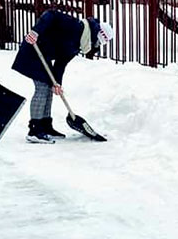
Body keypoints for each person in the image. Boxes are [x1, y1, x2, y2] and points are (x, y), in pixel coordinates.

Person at [11, 8, 114, 143]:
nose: (95, 46)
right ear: (95, 35)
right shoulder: (74, 26)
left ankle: (46, 126)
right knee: (42, 88)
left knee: (48, 86)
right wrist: (36, 31)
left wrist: (57, 83)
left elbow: (61, 63)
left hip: (44, 55)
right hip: (33, 47)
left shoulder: (77, 44)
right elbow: (50, 14)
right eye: (98, 42)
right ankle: (35, 130)